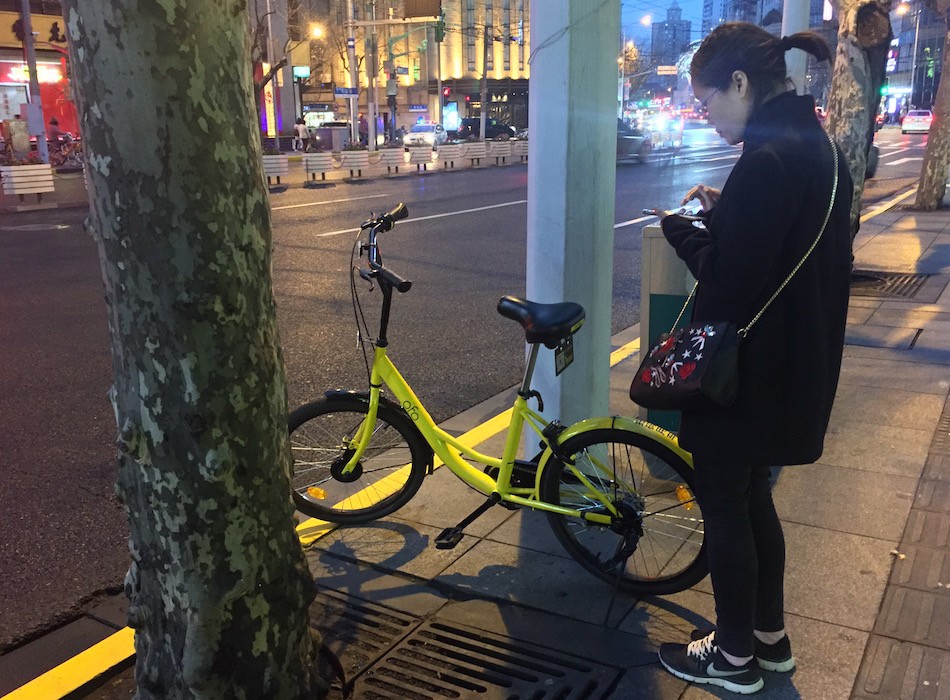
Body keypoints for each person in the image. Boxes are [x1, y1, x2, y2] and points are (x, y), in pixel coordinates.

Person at [648, 23, 853, 694]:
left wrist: (682, 232)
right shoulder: (815, 148)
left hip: (748, 378)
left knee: (726, 508)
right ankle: (770, 642)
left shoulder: (767, 163)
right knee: (753, 503)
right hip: (795, 368)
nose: (705, 119)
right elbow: (781, 250)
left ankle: (734, 658)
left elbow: (730, 284)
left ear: (741, 83)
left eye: (707, 103)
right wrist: (725, 212)